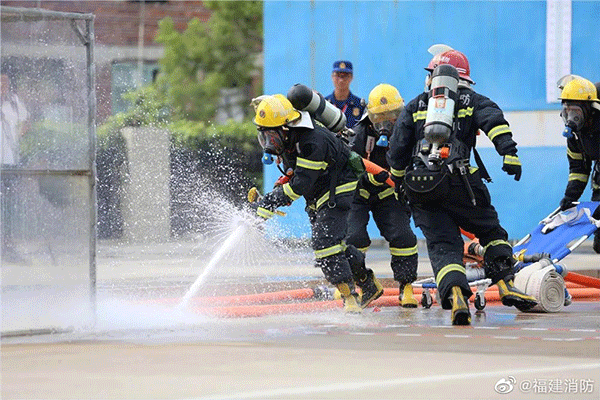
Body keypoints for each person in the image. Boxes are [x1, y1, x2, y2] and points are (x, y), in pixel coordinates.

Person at [387, 49, 538, 325]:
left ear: (431, 76)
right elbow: (493, 120)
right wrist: (509, 153)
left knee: (443, 245)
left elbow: (397, 150)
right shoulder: (471, 100)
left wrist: (398, 182)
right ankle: (505, 284)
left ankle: (456, 295)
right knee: (491, 232)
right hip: (462, 184)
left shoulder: (416, 105)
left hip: (422, 188)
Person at [252, 94, 382, 313]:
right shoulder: (289, 139)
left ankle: (349, 297)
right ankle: (368, 284)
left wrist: (270, 202)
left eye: (270, 136)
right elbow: (297, 174)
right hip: (319, 188)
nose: (268, 143)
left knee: (325, 244)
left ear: (285, 128)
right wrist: (274, 194)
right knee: (337, 245)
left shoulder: (313, 141)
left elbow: (299, 186)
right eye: (263, 137)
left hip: (338, 185)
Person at [347, 83, 419, 307]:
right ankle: (355, 283)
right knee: (353, 238)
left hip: (389, 193)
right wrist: (368, 179)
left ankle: (406, 287)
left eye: (392, 116)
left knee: (403, 236)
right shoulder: (359, 134)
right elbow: (348, 169)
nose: (386, 123)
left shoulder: (409, 134)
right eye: (380, 117)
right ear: (371, 117)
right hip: (359, 194)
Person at [556, 75, 600, 253]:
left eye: (575, 112)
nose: (571, 117)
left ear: (589, 110)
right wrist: (570, 197)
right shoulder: (575, 135)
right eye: (567, 111)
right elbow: (578, 170)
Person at [1, 73, 29, 263]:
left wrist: (16, 138)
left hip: (9, 161)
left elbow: (27, 121)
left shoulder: (13, 102)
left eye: (6, 82)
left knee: (9, 205)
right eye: (0, 82)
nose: (3, 86)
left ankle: (8, 244)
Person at [325, 61, 365, 128]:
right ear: (332, 77)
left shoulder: (360, 105)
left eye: (345, 76)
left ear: (351, 78)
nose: (341, 80)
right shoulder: (325, 104)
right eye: (337, 75)